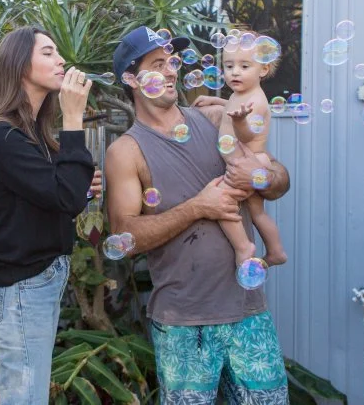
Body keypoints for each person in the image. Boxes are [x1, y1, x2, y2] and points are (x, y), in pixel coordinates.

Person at [105, 26, 291, 404]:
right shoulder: (127, 151)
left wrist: (261, 175)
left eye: (173, 61)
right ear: (132, 79)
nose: (172, 70)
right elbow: (124, 237)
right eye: (159, 64)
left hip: (248, 311)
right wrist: (197, 208)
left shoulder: (213, 119)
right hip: (183, 324)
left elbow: (279, 179)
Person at [0, 26, 102, 404]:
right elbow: (64, 196)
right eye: (48, 52)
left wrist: (77, 184)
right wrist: (73, 116)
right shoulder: (1, 134)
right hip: (21, 290)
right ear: (18, 64)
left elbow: (66, 197)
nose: (61, 59)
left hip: (35, 284)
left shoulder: (31, 135)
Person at [204, 38, 288, 289]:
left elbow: (249, 133)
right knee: (257, 212)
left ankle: (244, 247)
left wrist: (239, 122)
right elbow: (233, 107)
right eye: (229, 66)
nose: (234, 72)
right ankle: (275, 251)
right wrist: (218, 103)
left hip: (245, 165)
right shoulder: (241, 95)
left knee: (221, 200)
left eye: (244, 66)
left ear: (263, 69)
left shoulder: (257, 101)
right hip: (252, 161)